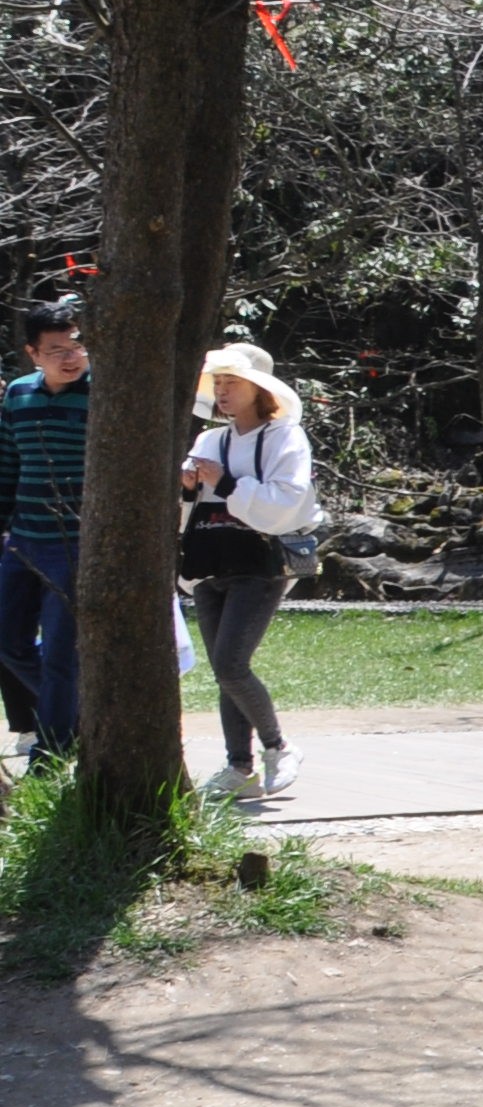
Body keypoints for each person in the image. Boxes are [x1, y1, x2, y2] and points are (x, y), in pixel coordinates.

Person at [175, 340, 317, 793]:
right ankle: (239, 768)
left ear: (260, 390)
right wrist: (186, 487)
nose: (222, 392)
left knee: (231, 666)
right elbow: (187, 510)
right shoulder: (209, 439)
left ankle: (278, 747)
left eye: (232, 382)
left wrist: (226, 482)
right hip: (208, 563)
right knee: (224, 670)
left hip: (259, 567)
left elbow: (288, 504)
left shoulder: (284, 438)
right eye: (218, 383)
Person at [0, 300, 92, 761]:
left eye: (77, 344)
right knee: (8, 642)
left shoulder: (103, 395)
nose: (71, 356)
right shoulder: (17, 394)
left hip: (75, 543)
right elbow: (7, 466)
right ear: (33, 353)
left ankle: (53, 752)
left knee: (60, 654)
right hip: (22, 541)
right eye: (56, 349)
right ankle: (77, 713)